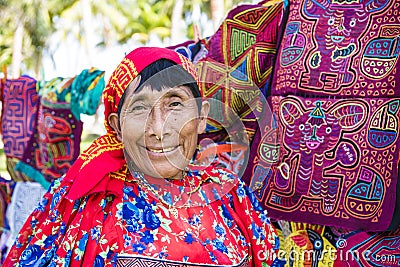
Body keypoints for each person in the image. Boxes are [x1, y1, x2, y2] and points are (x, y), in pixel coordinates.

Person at [3, 47, 279, 266]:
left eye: (175, 104)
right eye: (139, 109)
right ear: (116, 126)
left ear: (202, 116)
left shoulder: (230, 195)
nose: (159, 129)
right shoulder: (81, 201)